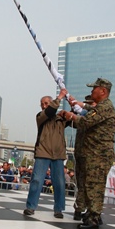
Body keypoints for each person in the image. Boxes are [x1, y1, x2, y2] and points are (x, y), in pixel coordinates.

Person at [61, 78, 115, 229]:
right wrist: (80, 104)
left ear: (103, 91)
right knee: (89, 184)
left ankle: (94, 217)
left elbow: (85, 121)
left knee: (95, 186)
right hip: (93, 154)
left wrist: (70, 116)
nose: (92, 92)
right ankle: (91, 214)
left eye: (94, 89)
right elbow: (90, 110)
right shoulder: (101, 106)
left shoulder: (105, 107)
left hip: (98, 156)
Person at [23, 89, 68, 218]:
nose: (44, 106)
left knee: (59, 182)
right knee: (37, 180)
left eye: (46, 103)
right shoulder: (40, 116)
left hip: (58, 154)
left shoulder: (61, 118)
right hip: (43, 152)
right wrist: (59, 97)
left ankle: (59, 208)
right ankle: (31, 207)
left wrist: (72, 106)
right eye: (42, 104)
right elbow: (49, 112)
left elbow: (74, 120)